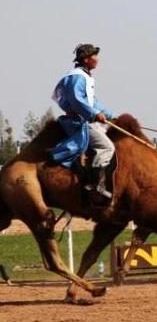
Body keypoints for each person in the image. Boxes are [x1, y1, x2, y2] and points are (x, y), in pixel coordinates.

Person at [50, 43, 116, 205]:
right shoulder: (77, 76)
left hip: (86, 119)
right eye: (95, 56)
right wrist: (94, 114)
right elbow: (76, 100)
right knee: (107, 147)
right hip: (79, 122)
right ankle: (95, 185)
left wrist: (112, 116)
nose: (98, 59)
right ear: (86, 59)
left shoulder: (85, 76)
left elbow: (93, 103)